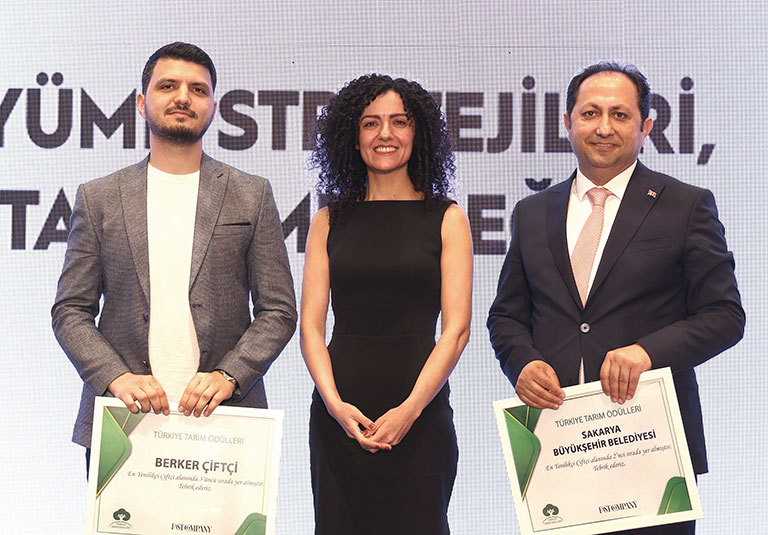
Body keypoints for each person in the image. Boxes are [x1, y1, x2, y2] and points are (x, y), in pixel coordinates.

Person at [487, 62, 744, 535]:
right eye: (590, 113)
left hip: (650, 450)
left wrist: (646, 352)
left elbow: (725, 315)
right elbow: (506, 315)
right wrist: (522, 362)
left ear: (645, 127)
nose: (604, 127)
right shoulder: (532, 212)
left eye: (620, 115)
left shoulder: (686, 205)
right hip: (559, 450)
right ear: (567, 123)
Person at [52, 42, 297, 460]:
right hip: (125, 422)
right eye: (168, 86)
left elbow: (279, 310)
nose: (183, 97)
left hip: (227, 422)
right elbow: (70, 310)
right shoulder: (99, 198)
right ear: (141, 103)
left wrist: (230, 375)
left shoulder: (251, 194)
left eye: (197, 89)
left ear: (213, 108)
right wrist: (115, 377)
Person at [301, 74, 472, 534]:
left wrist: (410, 410)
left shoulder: (447, 218)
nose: (385, 134)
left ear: (418, 133)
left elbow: (456, 331)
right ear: (352, 136)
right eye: (371, 123)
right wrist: (334, 405)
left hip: (421, 416)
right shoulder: (327, 220)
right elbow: (311, 328)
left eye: (400, 121)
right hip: (340, 419)